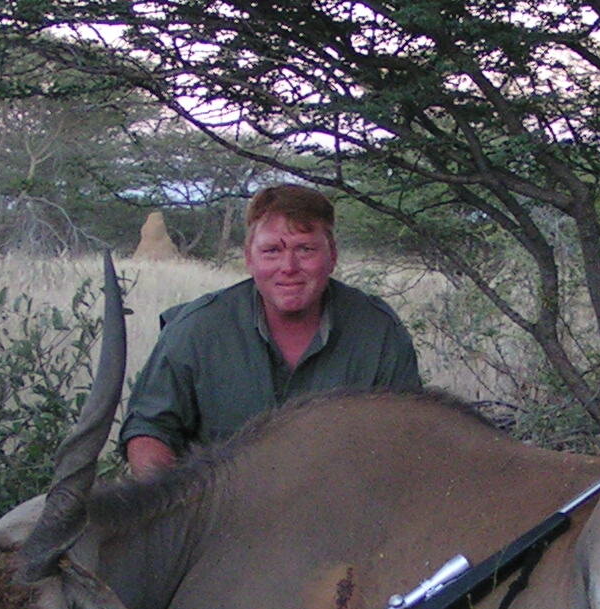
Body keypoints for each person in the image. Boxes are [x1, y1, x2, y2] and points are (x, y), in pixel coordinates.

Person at [120, 184, 421, 478]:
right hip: (223, 516)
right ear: (250, 258)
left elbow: (408, 441)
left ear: (332, 256)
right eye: (272, 250)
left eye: (305, 249)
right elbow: (149, 430)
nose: (288, 266)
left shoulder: (378, 330)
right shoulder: (196, 328)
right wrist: (170, 503)